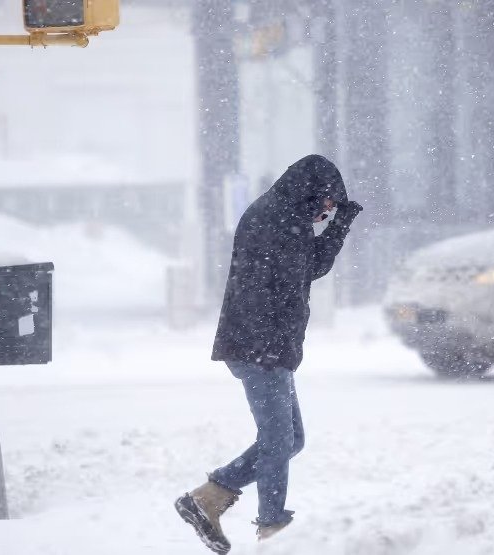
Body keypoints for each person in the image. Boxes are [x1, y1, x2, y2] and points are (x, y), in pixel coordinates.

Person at [175, 155, 363, 554]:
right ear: (311, 188)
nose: (328, 209)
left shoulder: (288, 217)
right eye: (329, 200)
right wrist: (269, 348)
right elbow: (259, 289)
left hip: (268, 345)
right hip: (259, 346)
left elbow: (313, 266)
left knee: (291, 439)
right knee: (278, 438)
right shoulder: (271, 218)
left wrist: (342, 221)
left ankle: (209, 496)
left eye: (332, 204)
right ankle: (273, 530)